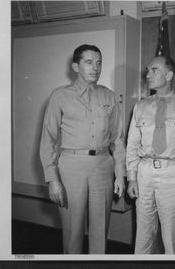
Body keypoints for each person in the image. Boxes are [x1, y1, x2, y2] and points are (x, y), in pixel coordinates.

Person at [39, 44, 126, 254]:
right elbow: (47, 141)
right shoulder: (60, 96)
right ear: (75, 66)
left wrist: (120, 174)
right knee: (72, 233)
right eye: (89, 62)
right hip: (71, 168)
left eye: (98, 63)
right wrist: (53, 180)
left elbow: (118, 140)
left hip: (103, 166)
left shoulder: (110, 97)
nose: (95, 67)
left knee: (100, 232)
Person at [126, 56, 175, 254]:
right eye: (148, 70)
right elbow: (132, 144)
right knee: (143, 236)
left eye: (154, 70)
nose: (148, 74)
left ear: (169, 75)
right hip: (144, 173)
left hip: (173, 174)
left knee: (172, 238)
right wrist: (132, 178)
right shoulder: (140, 107)